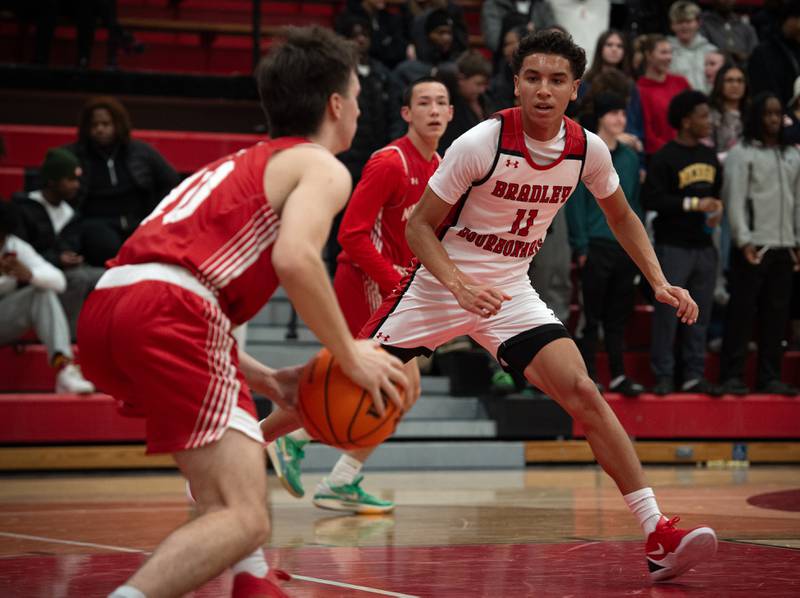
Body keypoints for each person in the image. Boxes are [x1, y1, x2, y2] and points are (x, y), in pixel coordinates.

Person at [364, 30, 718, 581]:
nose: (544, 90)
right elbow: (417, 227)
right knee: (339, 387)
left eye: (556, 80)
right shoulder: (481, 142)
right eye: (533, 78)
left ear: (574, 88)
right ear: (517, 84)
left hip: (509, 290)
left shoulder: (587, 149)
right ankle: (250, 444)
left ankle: (657, 532)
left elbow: (622, 215)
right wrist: (457, 286)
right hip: (439, 285)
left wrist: (658, 280)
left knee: (583, 390)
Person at [76, 27, 409, 598]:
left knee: (229, 487)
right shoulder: (322, 166)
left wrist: (263, 378)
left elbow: (178, 278)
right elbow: (298, 260)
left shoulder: (240, 162)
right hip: (172, 310)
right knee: (245, 515)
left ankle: (253, 581)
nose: (358, 106)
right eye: (355, 95)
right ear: (336, 105)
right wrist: (349, 351)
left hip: (110, 307)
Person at [263, 77, 452, 514]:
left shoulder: (441, 165)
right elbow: (351, 234)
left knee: (398, 389)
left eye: (442, 103)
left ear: (452, 114)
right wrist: (393, 283)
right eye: (424, 102)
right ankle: (298, 448)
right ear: (407, 113)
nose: (434, 110)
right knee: (397, 385)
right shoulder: (389, 162)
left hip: (396, 290)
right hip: (365, 282)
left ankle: (325, 468)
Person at [718, 92, 800, 397]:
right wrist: (743, 239)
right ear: (757, 117)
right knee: (741, 314)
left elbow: (798, 202)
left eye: (778, 114)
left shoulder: (791, 155)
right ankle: (732, 375)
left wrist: (797, 240)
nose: (774, 119)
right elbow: (735, 200)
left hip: (784, 246)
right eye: (768, 114)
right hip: (751, 248)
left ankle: (770, 377)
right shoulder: (742, 153)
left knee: (776, 316)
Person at [643, 90, 722, 396]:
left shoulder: (710, 156)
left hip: (704, 246)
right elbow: (652, 198)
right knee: (667, 316)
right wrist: (692, 205)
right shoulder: (665, 157)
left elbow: (714, 196)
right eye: (703, 116)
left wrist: (715, 211)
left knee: (700, 315)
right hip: (672, 245)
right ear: (686, 121)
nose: (709, 122)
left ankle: (693, 374)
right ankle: (663, 374)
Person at [566, 92, 646, 396]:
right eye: (614, 113)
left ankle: (618, 375)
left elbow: (633, 206)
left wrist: (638, 247)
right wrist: (582, 245)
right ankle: (587, 376)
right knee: (591, 316)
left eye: (623, 114)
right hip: (596, 244)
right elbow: (576, 203)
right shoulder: (588, 152)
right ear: (600, 117)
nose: (620, 120)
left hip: (623, 247)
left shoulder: (629, 156)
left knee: (617, 317)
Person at [63, 96, 179, 268]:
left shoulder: (140, 151)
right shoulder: (74, 155)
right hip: (96, 222)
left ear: (118, 125)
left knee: (148, 247)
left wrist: (158, 214)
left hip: (138, 220)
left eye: (106, 124)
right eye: (94, 125)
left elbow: (170, 180)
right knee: (107, 248)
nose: (100, 129)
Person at [0, 202, 95, 395]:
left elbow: (59, 281)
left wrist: (30, 275)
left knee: (42, 291)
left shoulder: (14, 246)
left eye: (2, 236)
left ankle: (65, 370)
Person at [14, 148, 105, 340]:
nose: (76, 185)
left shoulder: (70, 213)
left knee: (106, 277)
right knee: (77, 278)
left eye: (77, 180)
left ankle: (97, 336)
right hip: (31, 274)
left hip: (62, 268)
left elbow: (70, 245)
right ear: (52, 180)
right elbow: (20, 252)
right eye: (70, 180)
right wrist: (57, 259)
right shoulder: (23, 208)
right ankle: (68, 341)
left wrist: (69, 257)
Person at [637, 34, 691, 157]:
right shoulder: (640, 89)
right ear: (649, 55)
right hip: (659, 156)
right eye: (663, 53)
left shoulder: (681, 82)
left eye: (670, 53)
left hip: (688, 152)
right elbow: (647, 131)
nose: (669, 57)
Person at [438, 50, 493, 154]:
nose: (482, 90)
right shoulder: (450, 101)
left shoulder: (484, 101)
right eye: (478, 84)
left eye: (484, 84)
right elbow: (444, 70)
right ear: (460, 79)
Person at [667, 1, 718, 92]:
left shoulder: (712, 51)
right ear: (672, 25)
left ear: (698, 23)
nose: (684, 26)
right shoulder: (666, 53)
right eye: (679, 22)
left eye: (688, 21)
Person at [700, 0, 759, 66]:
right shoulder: (703, 24)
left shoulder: (746, 28)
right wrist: (728, 54)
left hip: (744, 72)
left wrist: (745, 57)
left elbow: (756, 56)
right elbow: (702, 52)